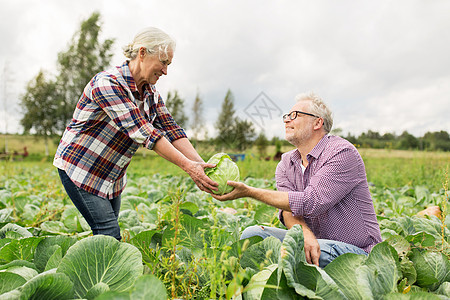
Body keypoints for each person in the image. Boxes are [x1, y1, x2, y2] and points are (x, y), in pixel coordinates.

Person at [54, 27, 218, 241]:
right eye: (163, 62)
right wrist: (189, 168)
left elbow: (171, 129)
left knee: (108, 237)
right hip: (81, 169)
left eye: (169, 64)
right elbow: (144, 132)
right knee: (109, 234)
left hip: (111, 175)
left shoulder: (150, 93)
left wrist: (202, 166)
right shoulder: (107, 83)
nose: (166, 71)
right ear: (142, 53)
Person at [213, 92, 382, 268]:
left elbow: (311, 202)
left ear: (318, 122)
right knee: (252, 235)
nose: (287, 120)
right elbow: (288, 211)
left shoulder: (341, 153)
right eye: (286, 116)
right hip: (315, 245)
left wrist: (249, 192)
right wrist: (305, 233)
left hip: (359, 253)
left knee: (299, 252)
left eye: (295, 115)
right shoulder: (286, 163)